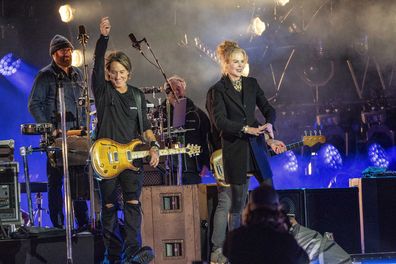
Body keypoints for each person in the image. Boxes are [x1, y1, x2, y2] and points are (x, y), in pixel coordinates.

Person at [208, 40, 286, 263]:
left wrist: (269, 125)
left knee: (270, 194)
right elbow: (220, 122)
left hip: (256, 148)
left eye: (242, 61)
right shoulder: (217, 90)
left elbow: (268, 109)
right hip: (235, 149)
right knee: (237, 203)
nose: (239, 65)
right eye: (235, 62)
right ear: (226, 64)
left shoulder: (252, 84)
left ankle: (273, 245)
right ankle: (236, 252)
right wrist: (245, 128)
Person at [92, 17, 158, 264]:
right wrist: (103, 39)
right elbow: (97, 65)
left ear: (128, 73)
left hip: (132, 158)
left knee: (132, 203)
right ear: (108, 74)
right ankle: (112, 255)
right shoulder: (103, 90)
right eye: (114, 72)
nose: (118, 76)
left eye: (122, 72)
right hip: (106, 158)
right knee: (108, 207)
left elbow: (147, 128)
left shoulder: (138, 96)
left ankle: (133, 253)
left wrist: (154, 147)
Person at [28, 34, 88, 229]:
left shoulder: (78, 74)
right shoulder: (45, 75)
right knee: (56, 182)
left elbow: (84, 102)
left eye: (69, 50)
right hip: (56, 139)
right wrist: (49, 128)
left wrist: (85, 125)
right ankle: (58, 224)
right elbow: (34, 104)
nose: (67, 54)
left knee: (78, 181)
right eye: (63, 51)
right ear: (54, 54)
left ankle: (83, 222)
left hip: (77, 137)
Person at [223, 184, 309, 264]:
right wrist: (285, 230)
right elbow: (304, 260)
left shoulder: (235, 238)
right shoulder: (285, 241)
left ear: (249, 208)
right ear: (277, 209)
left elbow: (226, 252)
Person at [162, 75, 210, 184]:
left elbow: (207, 140)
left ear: (184, 90)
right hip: (166, 170)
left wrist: (206, 164)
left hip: (192, 169)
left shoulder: (198, 114)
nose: (175, 92)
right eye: (171, 89)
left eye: (178, 88)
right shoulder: (158, 114)